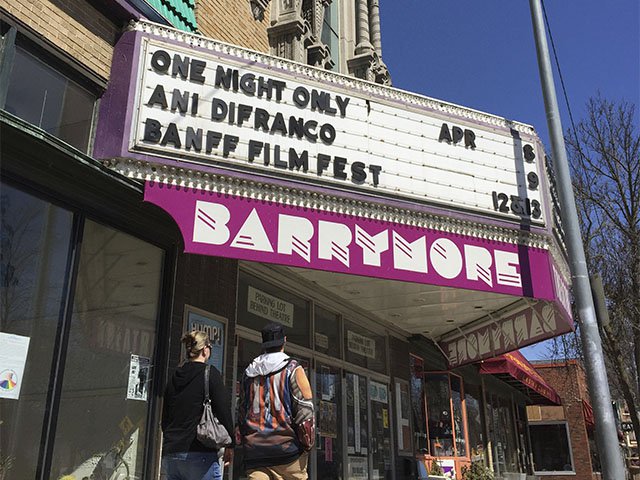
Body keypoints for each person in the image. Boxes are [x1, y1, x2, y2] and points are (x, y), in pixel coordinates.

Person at [238, 323, 315, 480]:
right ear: (284, 341)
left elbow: (241, 410)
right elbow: (305, 412)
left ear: (264, 344)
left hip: (255, 454)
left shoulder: (249, 372)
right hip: (288, 454)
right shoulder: (294, 369)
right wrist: (307, 445)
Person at [161, 331, 234, 480]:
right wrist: (231, 443)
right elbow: (223, 411)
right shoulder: (210, 374)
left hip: (172, 453)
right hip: (199, 452)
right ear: (205, 349)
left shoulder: (175, 376)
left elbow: (165, 418)